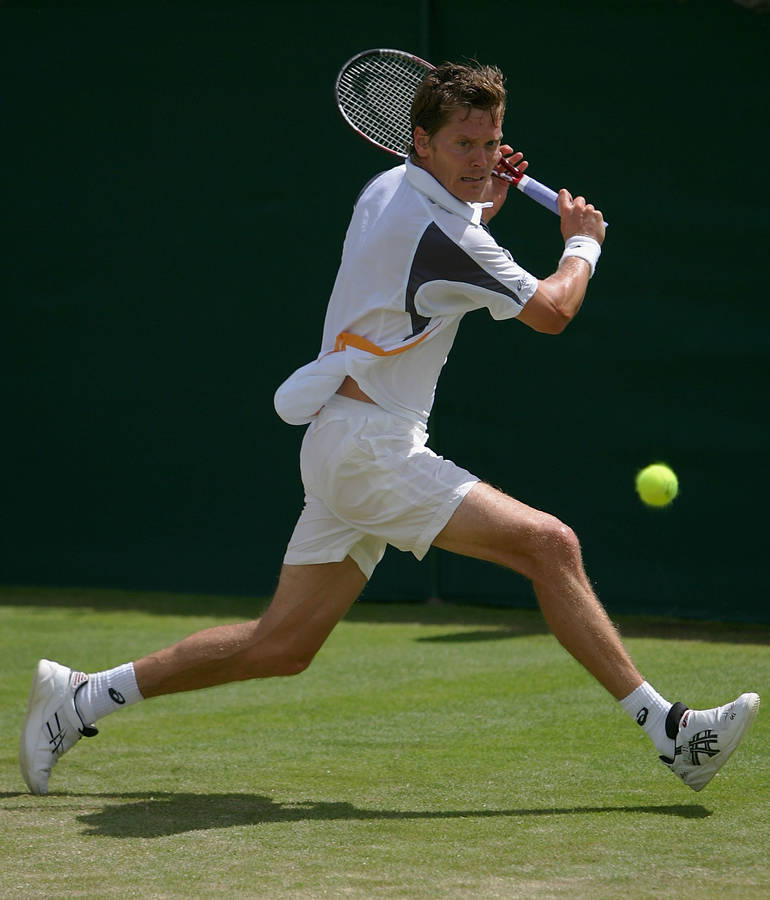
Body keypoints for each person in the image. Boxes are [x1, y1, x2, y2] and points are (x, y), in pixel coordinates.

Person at [20, 61, 759, 796]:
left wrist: (482, 201)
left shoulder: (388, 190)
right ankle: (672, 734)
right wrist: (581, 244)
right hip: (371, 448)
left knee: (280, 646)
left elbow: (433, 264)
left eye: (491, 141)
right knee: (549, 544)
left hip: (346, 443)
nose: (482, 159)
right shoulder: (446, 237)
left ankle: (80, 698)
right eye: (464, 146)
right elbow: (552, 312)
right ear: (422, 141)